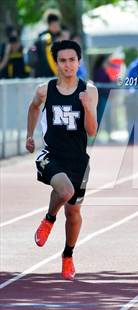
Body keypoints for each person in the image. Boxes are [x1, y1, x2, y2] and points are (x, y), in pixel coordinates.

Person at [26, 40, 98, 280]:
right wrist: (29, 135)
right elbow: (34, 108)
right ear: (56, 63)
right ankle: (48, 219)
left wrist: (87, 107)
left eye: (72, 60)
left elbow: (92, 131)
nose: (68, 65)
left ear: (79, 62)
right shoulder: (44, 90)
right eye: (63, 61)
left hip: (78, 159)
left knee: (74, 214)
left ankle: (68, 256)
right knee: (65, 190)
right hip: (51, 154)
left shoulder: (89, 90)